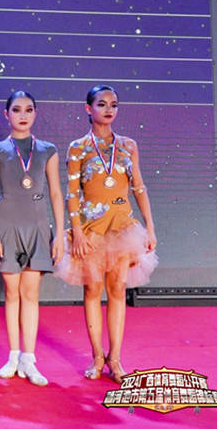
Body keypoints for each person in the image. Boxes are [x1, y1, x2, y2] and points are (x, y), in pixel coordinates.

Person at [56, 85, 158, 383]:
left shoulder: (128, 146)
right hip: (90, 230)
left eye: (113, 104)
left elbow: (139, 187)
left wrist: (150, 227)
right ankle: (97, 357)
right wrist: (76, 231)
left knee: (118, 290)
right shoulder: (78, 147)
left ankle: (115, 359)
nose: (109, 109)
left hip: (122, 228)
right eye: (101, 104)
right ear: (88, 109)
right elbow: (71, 193)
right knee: (92, 291)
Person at [0, 91, 64, 386]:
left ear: (35, 114)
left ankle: (29, 359)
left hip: (38, 227)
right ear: (6, 114)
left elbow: (56, 193)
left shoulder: (47, 150)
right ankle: (13, 355)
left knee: (31, 294)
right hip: (7, 227)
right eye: (16, 110)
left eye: (28, 110)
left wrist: (59, 234)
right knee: (12, 293)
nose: (22, 115)